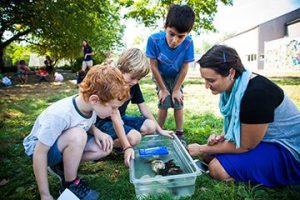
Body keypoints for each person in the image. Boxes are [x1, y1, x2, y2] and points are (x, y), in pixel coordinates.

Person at [187, 45, 300, 187]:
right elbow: (240, 125)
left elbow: (246, 146)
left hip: (287, 149)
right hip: (263, 140)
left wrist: (202, 147)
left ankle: (266, 174)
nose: (206, 85)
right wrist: (223, 137)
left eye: (211, 80)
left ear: (231, 73)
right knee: (208, 156)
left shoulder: (256, 94)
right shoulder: (237, 86)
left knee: (216, 169)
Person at [23, 65, 130, 200]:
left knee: (105, 147)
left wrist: (97, 132)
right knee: (78, 135)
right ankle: (70, 183)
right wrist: (45, 195)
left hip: (60, 143)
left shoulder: (89, 106)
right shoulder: (60, 114)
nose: (115, 112)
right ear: (94, 100)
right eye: (114, 108)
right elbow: (39, 153)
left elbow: (84, 122)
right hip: (39, 150)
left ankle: (62, 167)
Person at [95, 48, 174, 166]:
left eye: (139, 79)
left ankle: (120, 143)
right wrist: (127, 145)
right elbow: (114, 116)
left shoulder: (133, 85)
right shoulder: (111, 84)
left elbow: (143, 108)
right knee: (134, 138)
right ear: (120, 69)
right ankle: (106, 145)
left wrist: (160, 129)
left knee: (150, 126)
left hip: (120, 118)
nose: (135, 82)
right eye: (132, 77)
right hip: (102, 122)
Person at [146, 4, 195, 142]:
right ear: (165, 27)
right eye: (171, 34)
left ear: (188, 33)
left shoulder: (189, 42)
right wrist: (163, 89)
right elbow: (153, 67)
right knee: (164, 102)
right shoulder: (154, 40)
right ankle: (159, 130)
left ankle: (179, 133)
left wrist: (177, 89)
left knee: (177, 101)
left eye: (181, 36)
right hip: (160, 76)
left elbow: (185, 68)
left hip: (177, 77)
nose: (175, 41)